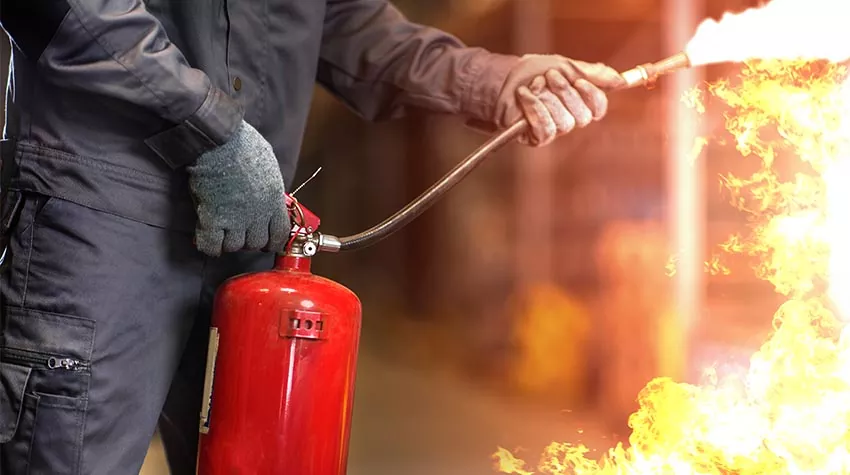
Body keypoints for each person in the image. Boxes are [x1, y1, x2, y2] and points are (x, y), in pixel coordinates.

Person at [0, 1, 625, 473]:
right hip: (101, 217)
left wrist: (494, 80)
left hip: (248, 229)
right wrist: (205, 127)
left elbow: (346, 20)